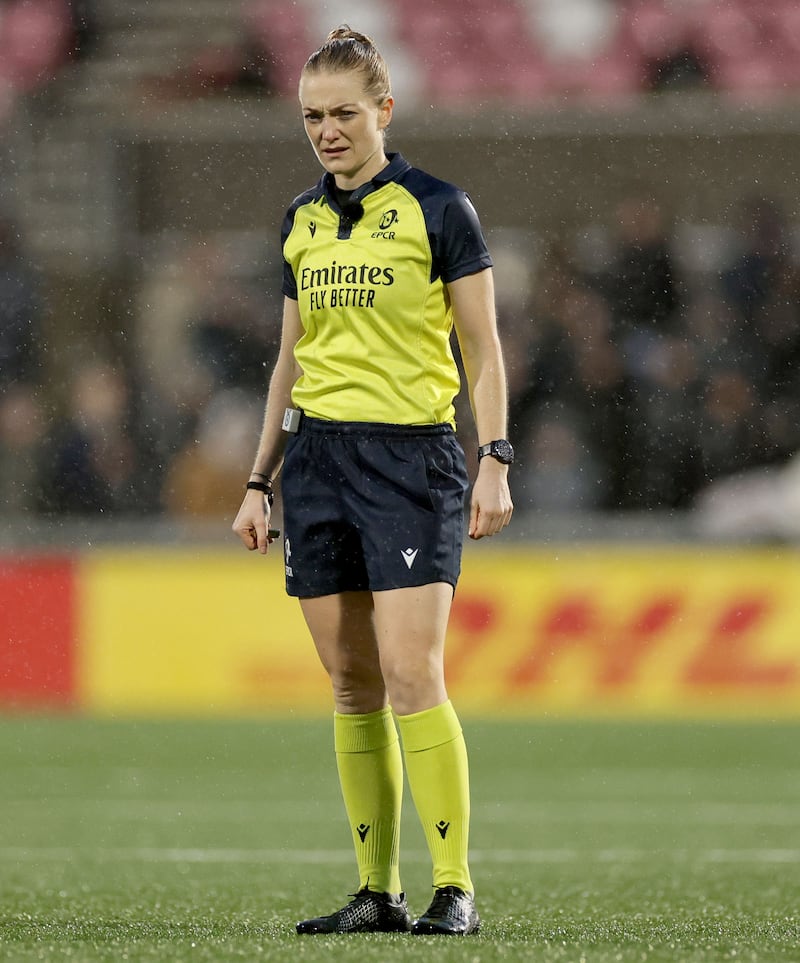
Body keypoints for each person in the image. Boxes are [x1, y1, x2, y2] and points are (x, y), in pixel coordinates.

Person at [232, 25, 513, 937]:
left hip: (410, 460)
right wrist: (258, 477)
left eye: (344, 112)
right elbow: (288, 362)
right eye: (312, 116)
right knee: (352, 682)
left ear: (383, 110)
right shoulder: (301, 221)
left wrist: (494, 457)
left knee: (410, 671)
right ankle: (377, 889)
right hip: (316, 463)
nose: (327, 130)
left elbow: (483, 350)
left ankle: (455, 887)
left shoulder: (440, 209)